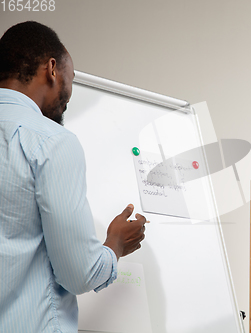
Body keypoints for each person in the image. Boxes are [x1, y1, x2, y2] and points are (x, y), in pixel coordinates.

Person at [0, 21, 148, 332]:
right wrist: (115, 244)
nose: (70, 91)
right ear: (51, 69)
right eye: (72, 76)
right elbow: (79, 272)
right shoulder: (51, 141)